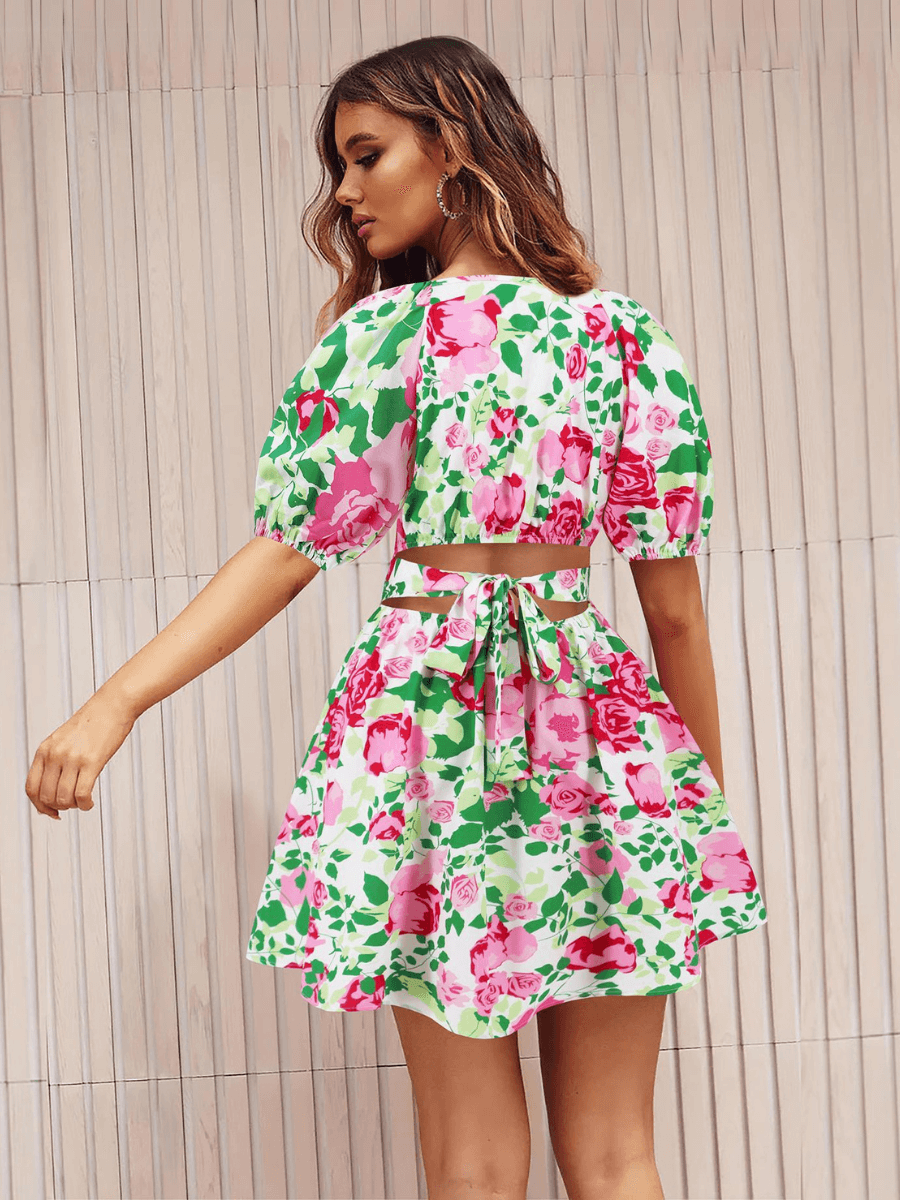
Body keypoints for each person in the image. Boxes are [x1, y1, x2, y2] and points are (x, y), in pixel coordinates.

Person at [25, 35, 767, 1200]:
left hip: (429, 746)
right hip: (606, 758)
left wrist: (114, 702)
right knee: (619, 1156)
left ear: (453, 143)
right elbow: (673, 617)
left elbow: (287, 553)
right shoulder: (626, 340)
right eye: (342, 166)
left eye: (366, 156)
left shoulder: (388, 338)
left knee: (473, 1164)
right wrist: (697, 818)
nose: (345, 192)